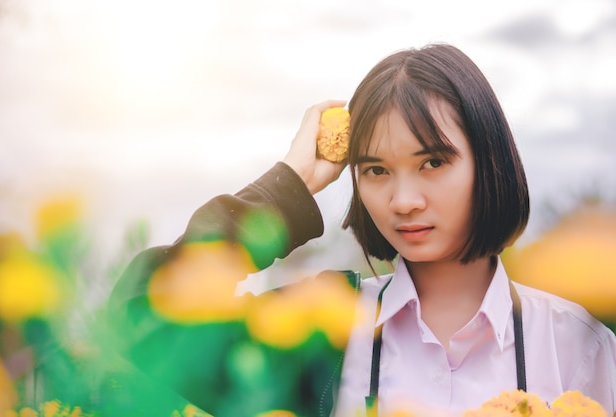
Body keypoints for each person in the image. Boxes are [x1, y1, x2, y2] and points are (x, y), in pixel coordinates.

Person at [107, 44, 616, 417]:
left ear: (490, 162)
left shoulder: (578, 347)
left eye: (433, 162)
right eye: (375, 170)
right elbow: (141, 315)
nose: (403, 200)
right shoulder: (321, 330)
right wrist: (291, 186)